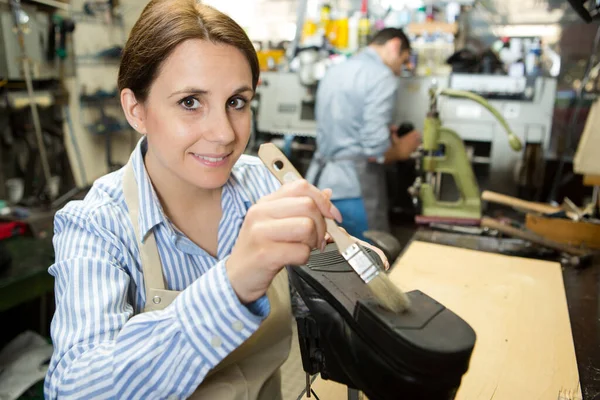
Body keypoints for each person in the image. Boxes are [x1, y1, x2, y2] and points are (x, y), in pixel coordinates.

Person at [43, 1, 386, 399]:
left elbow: (323, 292)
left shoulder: (263, 183)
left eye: (236, 102)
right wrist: (232, 283)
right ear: (136, 109)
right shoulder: (95, 225)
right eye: (190, 102)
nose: (223, 133)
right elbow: (73, 388)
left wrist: (348, 267)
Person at [305, 28, 422, 241]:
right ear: (395, 46)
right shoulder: (382, 75)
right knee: (368, 262)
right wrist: (402, 149)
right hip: (355, 190)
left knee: (328, 261)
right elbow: (375, 147)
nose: (400, 70)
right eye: (403, 61)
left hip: (322, 183)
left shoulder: (335, 70)